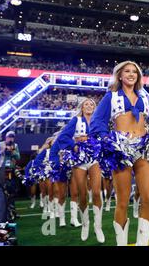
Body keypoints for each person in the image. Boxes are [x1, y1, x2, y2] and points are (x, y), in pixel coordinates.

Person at [89, 61, 149, 246]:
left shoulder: (146, 97)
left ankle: (143, 243)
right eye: (127, 71)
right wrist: (107, 139)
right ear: (120, 75)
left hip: (143, 147)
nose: (131, 74)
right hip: (121, 149)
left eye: (135, 72)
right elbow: (97, 122)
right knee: (122, 201)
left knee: (147, 197)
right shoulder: (111, 96)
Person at [57, 98, 104, 242]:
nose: (89, 106)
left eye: (92, 104)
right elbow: (63, 137)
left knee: (96, 192)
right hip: (79, 160)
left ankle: (98, 226)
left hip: (94, 159)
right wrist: (74, 144)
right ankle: (85, 224)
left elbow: (104, 136)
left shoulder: (98, 121)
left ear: (94, 108)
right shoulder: (75, 120)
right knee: (82, 194)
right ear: (82, 108)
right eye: (86, 104)